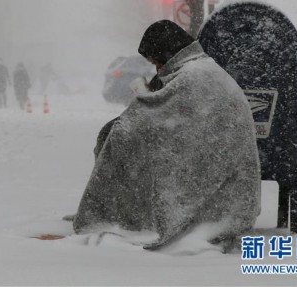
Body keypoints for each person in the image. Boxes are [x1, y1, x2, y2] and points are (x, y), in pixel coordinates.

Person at [72, 20, 261, 250]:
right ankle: (121, 213)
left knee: (120, 137)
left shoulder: (194, 77)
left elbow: (154, 122)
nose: (157, 69)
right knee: (114, 134)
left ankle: (119, 216)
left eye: (157, 62)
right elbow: (171, 119)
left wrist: (141, 101)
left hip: (223, 193)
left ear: (167, 54)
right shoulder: (198, 68)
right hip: (223, 174)